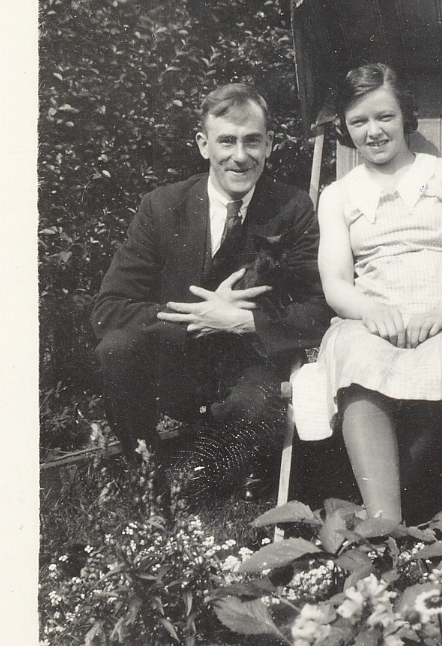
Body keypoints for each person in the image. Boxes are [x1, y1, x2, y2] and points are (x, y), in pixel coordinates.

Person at [292, 64, 442, 522]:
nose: (373, 131)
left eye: (385, 117)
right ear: (345, 127)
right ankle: (387, 526)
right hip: (371, 319)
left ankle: (395, 517)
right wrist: (368, 310)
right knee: (356, 361)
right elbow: (335, 282)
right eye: (359, 121)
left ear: (406, 117)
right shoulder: (338, 195)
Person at [92, 83, 331, 484]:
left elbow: (321, 308)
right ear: (204, 145)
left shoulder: (293, 208)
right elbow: (108, 308)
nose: (240, 156)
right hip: (177, 366)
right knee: (116, 348)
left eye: (252, 141)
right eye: (227, 141)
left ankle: (209, 476)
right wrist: (198, 318)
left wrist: (242, 321)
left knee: (253, 414)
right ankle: (149, 476)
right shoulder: (162, 206)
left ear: (269, 144)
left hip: (250, 366)